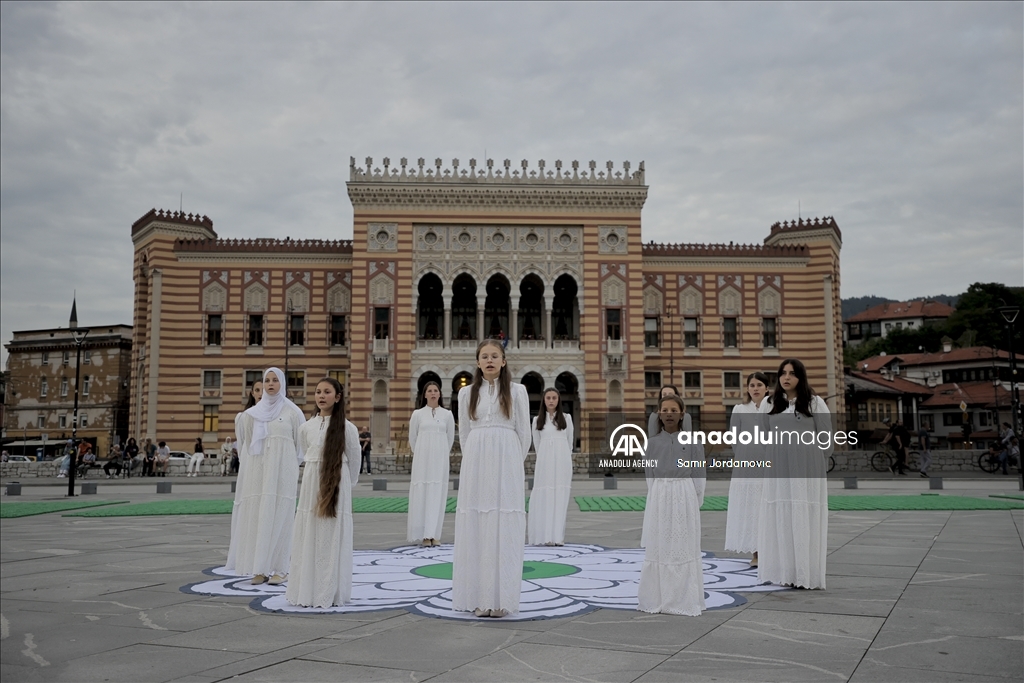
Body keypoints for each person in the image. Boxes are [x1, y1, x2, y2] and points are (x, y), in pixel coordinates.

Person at [452, 339, 531, 618]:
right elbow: (464, 434)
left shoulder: (518, 391)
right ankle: (479, 597)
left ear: (503, 361)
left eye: (494, 356)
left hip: (506, 460)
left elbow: (524, 434)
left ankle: (500, 600)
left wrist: (512, 464)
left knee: (503, 524)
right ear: (477, 362)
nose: (489, 360)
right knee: (477, 523)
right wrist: (475, 459)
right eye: (484, 356)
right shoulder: (466, 393)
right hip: (476, 461)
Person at [286, 377, 361, 608]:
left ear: (337, 397)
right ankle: (307, 591)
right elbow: (305, 453)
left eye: (327, 392)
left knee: (331, 534)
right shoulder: (305, 428)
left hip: (337, 484)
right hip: (311, 483)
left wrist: (345, 485)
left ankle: (328, 592)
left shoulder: (348, 428)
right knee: (309, 532)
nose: (321, 396)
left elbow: (354, 460)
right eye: (318, 391)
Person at [758, 358, 832, 590]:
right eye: (783, 373)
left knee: (803, 514)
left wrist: (808, 456)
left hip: (807, 468)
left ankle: (805, 574)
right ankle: (785, 573)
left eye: (792, 373)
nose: (786, 377)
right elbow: (762, 436)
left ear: (801, 377)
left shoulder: (815, 402)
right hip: (778, 468)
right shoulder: (769, 403)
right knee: (782, 515)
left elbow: (826, 439)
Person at [226, 367, 304, 585]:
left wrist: (288, 466)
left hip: (282, 473)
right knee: (259, 518)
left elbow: (300, 446)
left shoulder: (293, 412)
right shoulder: (251, 415)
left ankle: (281, 568)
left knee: (281, 517)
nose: (270, 384)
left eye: (275, 380)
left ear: (282, 384)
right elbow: (245, 446)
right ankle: (260, 568)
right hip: (258, 474)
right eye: (267, 380)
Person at [637, 394, 706, 616]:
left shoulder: (693, 442)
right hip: (660, 494)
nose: (669, 414)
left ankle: (683, 598)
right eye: (665, 410)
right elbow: (649, 474)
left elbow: (699, 473)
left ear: (682, 414)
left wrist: (695, 500)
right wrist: (656, 496)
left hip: (684, 493)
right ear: (658, 414)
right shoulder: (652, 443)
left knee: (682, 545)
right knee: (661, 544)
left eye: (674, 410)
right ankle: (659, 598)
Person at [724, 372, 771, 567]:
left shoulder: (774, 409)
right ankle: (756, 553)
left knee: (768, 507)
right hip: (746, 466)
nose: (755, 388)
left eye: (759, 385)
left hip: (769, 464)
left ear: (767, 388)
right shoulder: (739, 409)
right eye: (752, 385)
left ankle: (772, 551)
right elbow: (734, 438)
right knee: (751, 508)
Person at [407, 381, 455, 547]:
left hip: (440, 461)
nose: (433, 393)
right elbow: (413, 438)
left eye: (435, 390)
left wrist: (440, 453)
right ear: (425, 394)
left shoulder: (447, 415)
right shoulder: (418, 414)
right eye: (430, 391)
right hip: (422, 461)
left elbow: (450, 438)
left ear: (440, 394)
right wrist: (421, 454)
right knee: (422, 494)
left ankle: (435, 534)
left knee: (437, 494)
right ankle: (424, 535)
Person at [528, 388, 574, 547]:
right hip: (545, 463)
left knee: (560, 497)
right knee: (545, 497)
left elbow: (569, 443)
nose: (551, 401)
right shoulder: (537, 421)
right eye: (548, 398)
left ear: (558, 400)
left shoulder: (566, 418)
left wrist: (564, 460)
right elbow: (537, 444)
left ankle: (558, 536)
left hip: (562, 462)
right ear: (544, 400)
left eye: (554, 398)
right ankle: (546, 536)